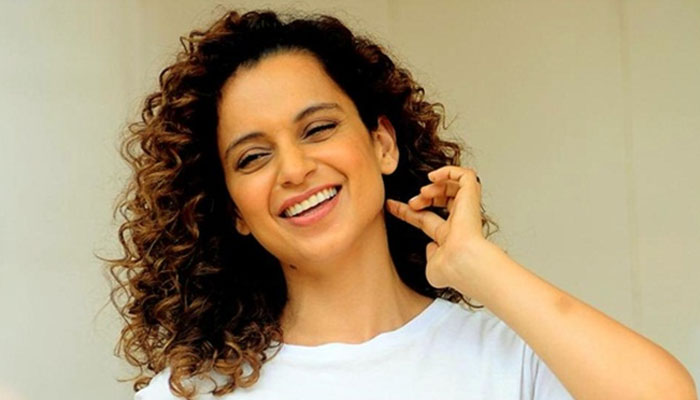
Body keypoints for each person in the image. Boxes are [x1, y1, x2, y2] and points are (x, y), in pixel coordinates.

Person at [107, 9, 697, 400]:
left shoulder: (508, 360)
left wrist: (478, 266)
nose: (294, 170)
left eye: (317, 129)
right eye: (253, 157)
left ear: (382, 144)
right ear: (234, 209)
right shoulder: (191, 394)